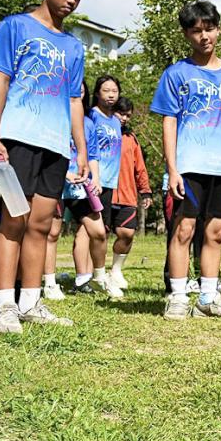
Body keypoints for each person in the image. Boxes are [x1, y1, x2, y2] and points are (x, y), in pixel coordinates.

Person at [0, 0, 88, 334]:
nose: (71, 1)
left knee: (41, 225)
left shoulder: (75, 47)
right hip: (19, 136)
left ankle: (31, 301)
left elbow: (75, 100)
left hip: (56, 145)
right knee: (13, 220)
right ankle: (4, 305)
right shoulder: (15, 27)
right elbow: (0, 82)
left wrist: (81, 149)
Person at [150, 0, 221, 321]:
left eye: (209, 28)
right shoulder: (176, 74)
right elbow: (168, 121)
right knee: (184, 230)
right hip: (188, 165)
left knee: (216, 231)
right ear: (186, 34)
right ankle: (178, 296)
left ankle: (209, 297)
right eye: (196, 30)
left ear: (218, 29)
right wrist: (172, 168)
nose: (204, 36)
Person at [46, 80, 106, 299]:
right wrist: (64, 173)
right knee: (51, 233)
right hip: (56, 181)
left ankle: (99, 277)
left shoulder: (89, 123)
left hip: (81, 186)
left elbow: (93, 155)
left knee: (98, 231)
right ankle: (49, 283)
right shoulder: (54, 117)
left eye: (81, 89)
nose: (78, 92)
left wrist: (95, 178)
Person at [80, 75, 121, 292]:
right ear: (97, 93)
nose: (111, 94)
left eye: (114, 90)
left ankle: (92, 276)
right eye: (106, 90)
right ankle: (85, 276)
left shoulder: (115, 120)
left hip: (109, 180)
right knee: (87, 229)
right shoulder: (91, 116)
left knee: (99, 229)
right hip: (93, 179)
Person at [109, 97, 152, 288]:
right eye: (121, 113)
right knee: (96, 234)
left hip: (126, 194)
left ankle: (116, 271)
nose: (124, 118)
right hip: (103, 192)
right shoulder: (97, 130)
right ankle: (91, 275)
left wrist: (145, 191)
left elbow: (139, 167)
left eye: (127, 115)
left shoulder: (131, 139)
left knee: (126, 233)